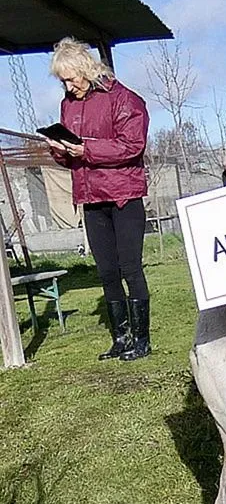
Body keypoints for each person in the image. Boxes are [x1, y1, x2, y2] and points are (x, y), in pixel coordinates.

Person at [47, 37, 152, 361]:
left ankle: (142, 341)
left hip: (123, 196)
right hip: (91, 198)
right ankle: (121, 338)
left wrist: (87, 149)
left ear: (85, 69)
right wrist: (60, 150)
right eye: (63, 81)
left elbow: (132, 146)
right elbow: (73, 156)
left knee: (130, 268)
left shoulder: (123, 99)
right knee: (106, 272)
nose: (68, 86)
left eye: (70, 79)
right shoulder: (68, 104)